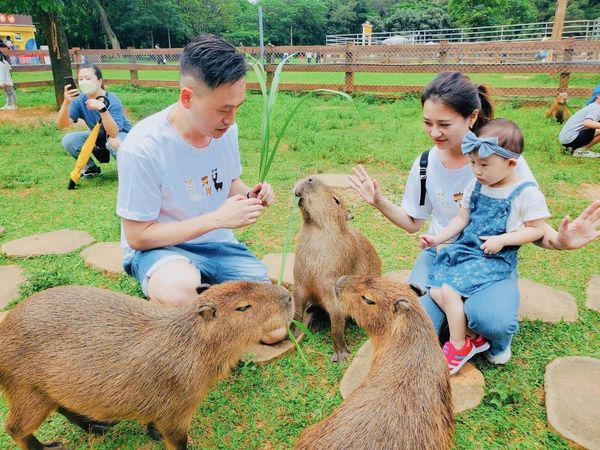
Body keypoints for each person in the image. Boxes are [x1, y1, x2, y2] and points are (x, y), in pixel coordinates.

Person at [349, 71, 600, 365]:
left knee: (491, 321)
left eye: (444, 124)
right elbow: (412, 222)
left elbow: (532, 225)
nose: (434, 132)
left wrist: (560, 240)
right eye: (427, 123)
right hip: (443, 254)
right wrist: (379, 201)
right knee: (416, 326)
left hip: (487, 256)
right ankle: (456, 321)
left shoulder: (504, 158)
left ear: (471, 117)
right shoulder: (426, 162)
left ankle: (491, 324)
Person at [116, 34, 284, 344]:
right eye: (223, 110)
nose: (231, 120)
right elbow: (138, 236)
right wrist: (218, 219)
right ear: (187, 98)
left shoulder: (224, 132)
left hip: (217, 243)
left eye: (237, 108)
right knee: (180, 292)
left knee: (274, 328)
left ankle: (208, 292)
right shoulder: (142, 148)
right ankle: (182, 296)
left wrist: (250, 195)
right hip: (161, 249)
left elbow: (229, 182)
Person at [419, 119, 549, 374]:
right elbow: (462, 218)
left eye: (484, 165)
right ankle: (472, 335)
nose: (477, 171)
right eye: (473, 163)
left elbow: (537, 229)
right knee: (436, 291)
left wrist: (502, 239)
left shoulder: (525, 192)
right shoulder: (477, 184)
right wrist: (439, 238)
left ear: (511, 163)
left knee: (449, 290)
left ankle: (458, 345)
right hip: (467, 250)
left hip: (494, 258)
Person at [57, 64, 131, 177]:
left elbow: (114, 133)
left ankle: (130, 168)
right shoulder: (80, 100)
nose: (83, 82)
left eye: (88, 78)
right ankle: (90, 168)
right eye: (80, 79)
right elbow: (62, 124)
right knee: (69, 140)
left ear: (99, 81)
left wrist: (102, 109)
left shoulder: (112, 100)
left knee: (113, 141)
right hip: (98, 137)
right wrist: (66, 103)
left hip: (123, 136)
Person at [558, 84, 600, 158]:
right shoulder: (596, 108)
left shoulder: (593, 106)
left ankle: (578, 149)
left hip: (566, 140)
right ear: (598, 96)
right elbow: (587, 123)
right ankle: (581, 151)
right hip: (571, 139)